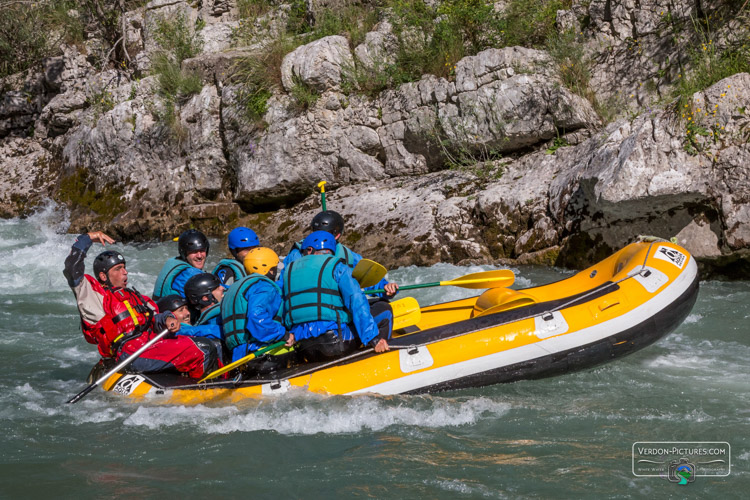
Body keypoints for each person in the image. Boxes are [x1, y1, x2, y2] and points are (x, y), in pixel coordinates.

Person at [63, 231, 218, 379]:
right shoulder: (94, 298)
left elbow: (155, 318)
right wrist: (88, 238)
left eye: (124, 267)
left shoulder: (136, 297)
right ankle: (204, 389)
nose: (125, 272)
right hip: (130, 354)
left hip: (149, 345)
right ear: (103, 276)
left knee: (210, 342)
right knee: (203, 348)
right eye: (118, 269)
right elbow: (72, 269)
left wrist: (168, 318)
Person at [281, 210, 398, 340]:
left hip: (298, 327)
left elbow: (365, 275)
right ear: (337, 235)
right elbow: (355, 295)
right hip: (333, 322)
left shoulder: (297, 256)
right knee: (384, 309)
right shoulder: (298, 256)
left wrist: (385, 287)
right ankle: (376, 347)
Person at [281, 231, 389, 362]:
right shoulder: (338, 266)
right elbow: (356, 300)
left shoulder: (288, 271)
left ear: (309, 249)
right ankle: (380, 357)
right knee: (384, 310)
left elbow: (281, 304)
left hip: (303, 346)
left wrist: (286, 334)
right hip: (335, 343)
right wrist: (373, 338)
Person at [221, 247, 290, 366]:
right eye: (274, 268)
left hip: (237, 354)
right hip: (258, 351)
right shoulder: (264, 286)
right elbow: (256, 316)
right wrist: (284, 334)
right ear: (270, 270)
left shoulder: (234, 288)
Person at [152, 229, 210, 301]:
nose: (199, 256)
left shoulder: (173, 261)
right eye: (194, 251)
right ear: (184, 253)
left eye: (202, 250)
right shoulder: (187, 275)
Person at [183, 272, 226, 360]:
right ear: (205, 298)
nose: (223, 288)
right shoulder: (209, 317)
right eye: (217, 288)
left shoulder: (219, 316)